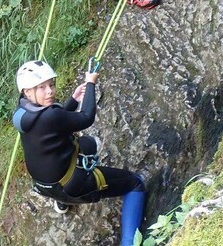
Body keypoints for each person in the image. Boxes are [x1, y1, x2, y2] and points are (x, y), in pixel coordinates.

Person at [12, 60, 146, 246]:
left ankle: (62, 202)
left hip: (45, 185)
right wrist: (90, 83)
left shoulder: (22, 113)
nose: (50, 91)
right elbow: (86, 117)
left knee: (88, 144)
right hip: (72, 184)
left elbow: (55, 122)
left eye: (51, 84)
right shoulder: (50, 116)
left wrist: (74, 99)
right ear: (27, 91)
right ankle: (130, 243)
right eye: (41, 87)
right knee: (135, 183)